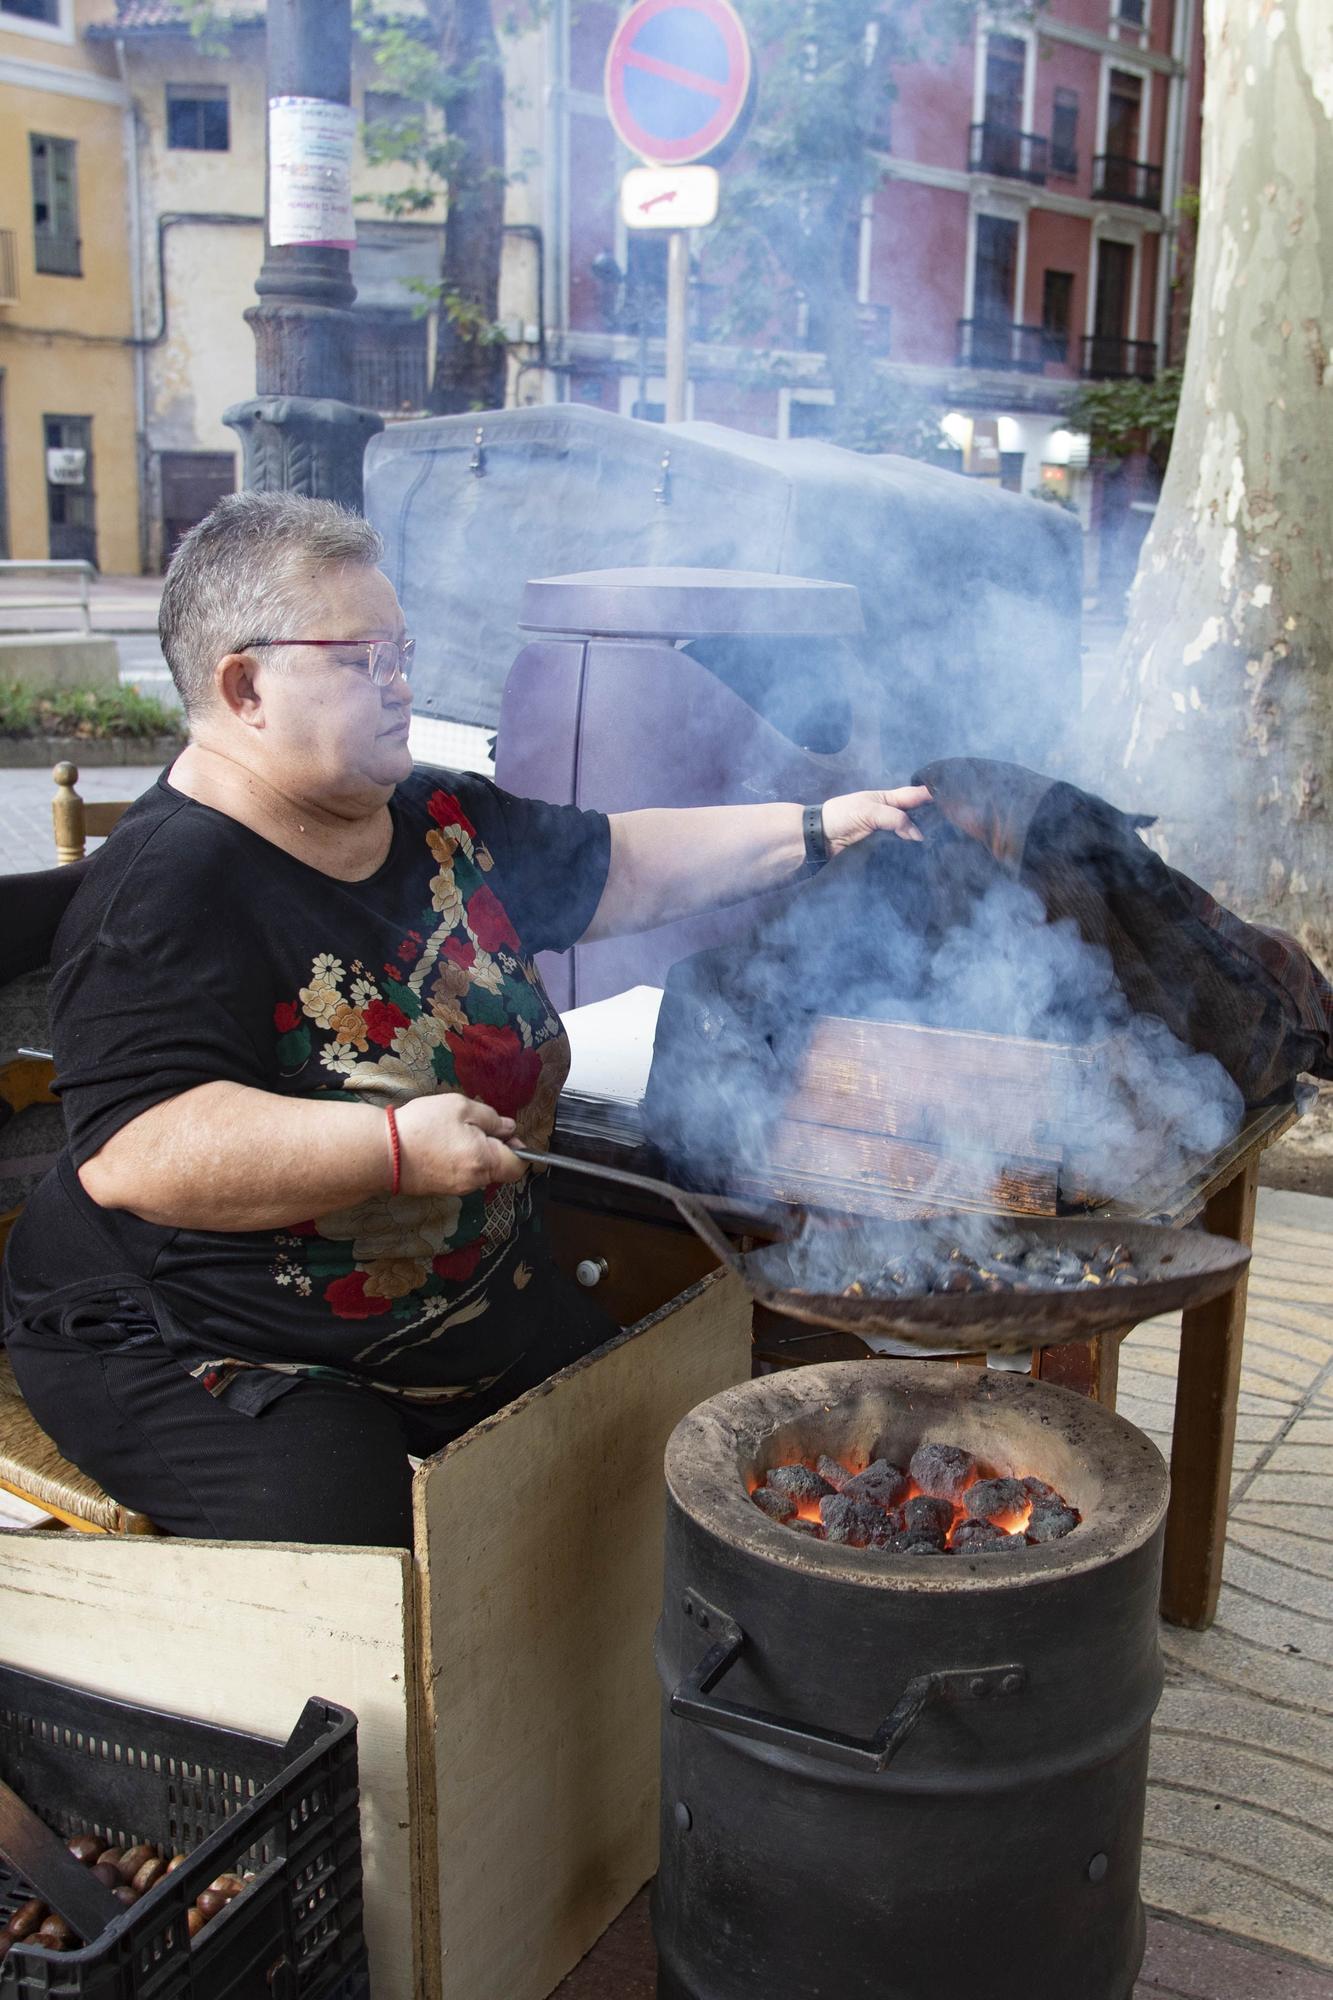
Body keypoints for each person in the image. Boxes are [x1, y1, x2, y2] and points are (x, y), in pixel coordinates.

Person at [1, 492, 929, 1548]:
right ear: (244, 684)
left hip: (474, 1303)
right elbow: (141, 1149)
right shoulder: (167, 891)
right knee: (354, 1537)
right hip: (207, 1337)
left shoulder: (438, 820)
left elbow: (617, 861)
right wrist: (389, 1145)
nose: (403, 681)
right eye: (360, 658)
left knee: (658, 1446)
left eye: (402, 649)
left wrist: (817, 825)